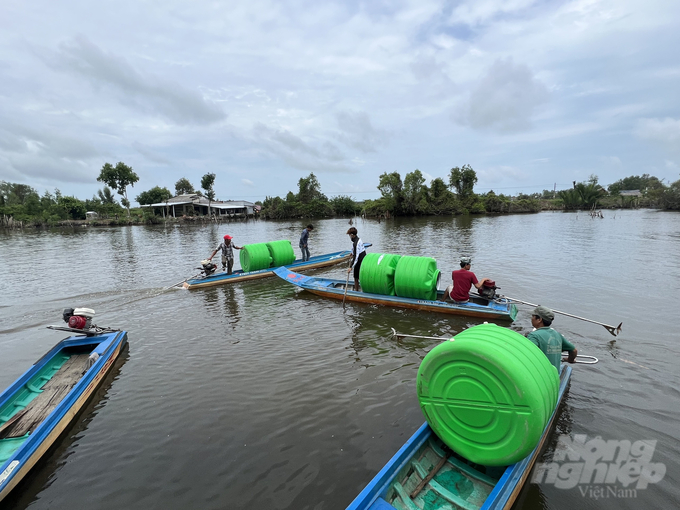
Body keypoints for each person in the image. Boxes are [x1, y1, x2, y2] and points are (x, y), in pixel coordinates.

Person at [527, 305, 578, 372]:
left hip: (542, 376)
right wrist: (570, 360)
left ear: (539, 319)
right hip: (554, 375)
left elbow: (528, 356)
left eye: (533, 316)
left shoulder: (533, 336)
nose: (531, 318)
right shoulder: (557, 334)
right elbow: (574, 350)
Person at [346, 227, 366, 291]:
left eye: (349, 235)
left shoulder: (356, 243)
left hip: (360, 260)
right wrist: (352, 252)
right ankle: (361, 289)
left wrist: (351, 267)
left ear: (352, 235)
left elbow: (356, 257)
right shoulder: (358, 239)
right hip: (363, 258)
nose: (350, 237)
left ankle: (356, 291)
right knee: (359, 276)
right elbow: (356, 250)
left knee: (356, 277)